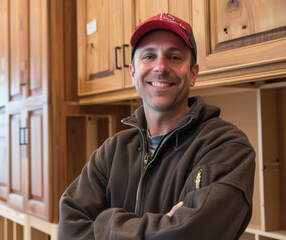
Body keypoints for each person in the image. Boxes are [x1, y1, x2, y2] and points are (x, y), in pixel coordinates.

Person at [58, 13, 255, 239]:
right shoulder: (111, 152)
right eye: (149, 56)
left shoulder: (226, 147)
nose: (160, 67)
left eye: (174, 57)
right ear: (133, 72)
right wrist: (164, 225)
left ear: (193, 73)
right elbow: (69, 228)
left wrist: (105, 222)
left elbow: (192, 234)